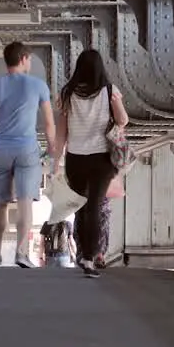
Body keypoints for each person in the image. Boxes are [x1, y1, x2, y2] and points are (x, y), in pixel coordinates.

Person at [0, 41, 57, 268]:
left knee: (0, 203)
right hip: (28, 150)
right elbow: (48, 124)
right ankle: (21, 253)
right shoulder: (38, 86)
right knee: (25, 202)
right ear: (24, 59)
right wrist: (54, 152)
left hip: (2, 150)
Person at [55, 48, 129, 278]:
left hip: (76, 159)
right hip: (102, 159)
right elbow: (122, 121)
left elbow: (61, 133)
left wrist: (55, 162)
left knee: (83, 207)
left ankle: (84, 255)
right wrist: (116, 102)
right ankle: (89, 257)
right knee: (96, 206)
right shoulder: (110, 90)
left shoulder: (67, 93)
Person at [95, 174, 123, 268]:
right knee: (102, 229)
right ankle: (98, 255)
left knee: (99, 229)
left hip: (93, 203)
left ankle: (96, 255)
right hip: (101, 204)